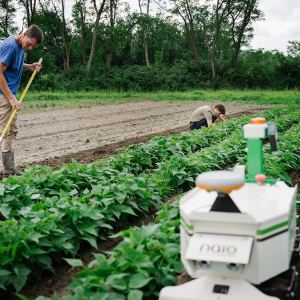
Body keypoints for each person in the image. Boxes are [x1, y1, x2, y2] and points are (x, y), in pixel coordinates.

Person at [0, 25, 43, 175]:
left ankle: (9, 168)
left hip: (6, 94)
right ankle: (9, 169)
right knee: (8, 130)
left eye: (33, 46)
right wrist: (11, 98)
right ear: (24, 34)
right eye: (30, 44)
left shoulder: (19, 45)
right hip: (3, 95)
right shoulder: (11, 46)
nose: (30, 48)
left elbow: (13, 65)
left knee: (10, 129)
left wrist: (29, 66)